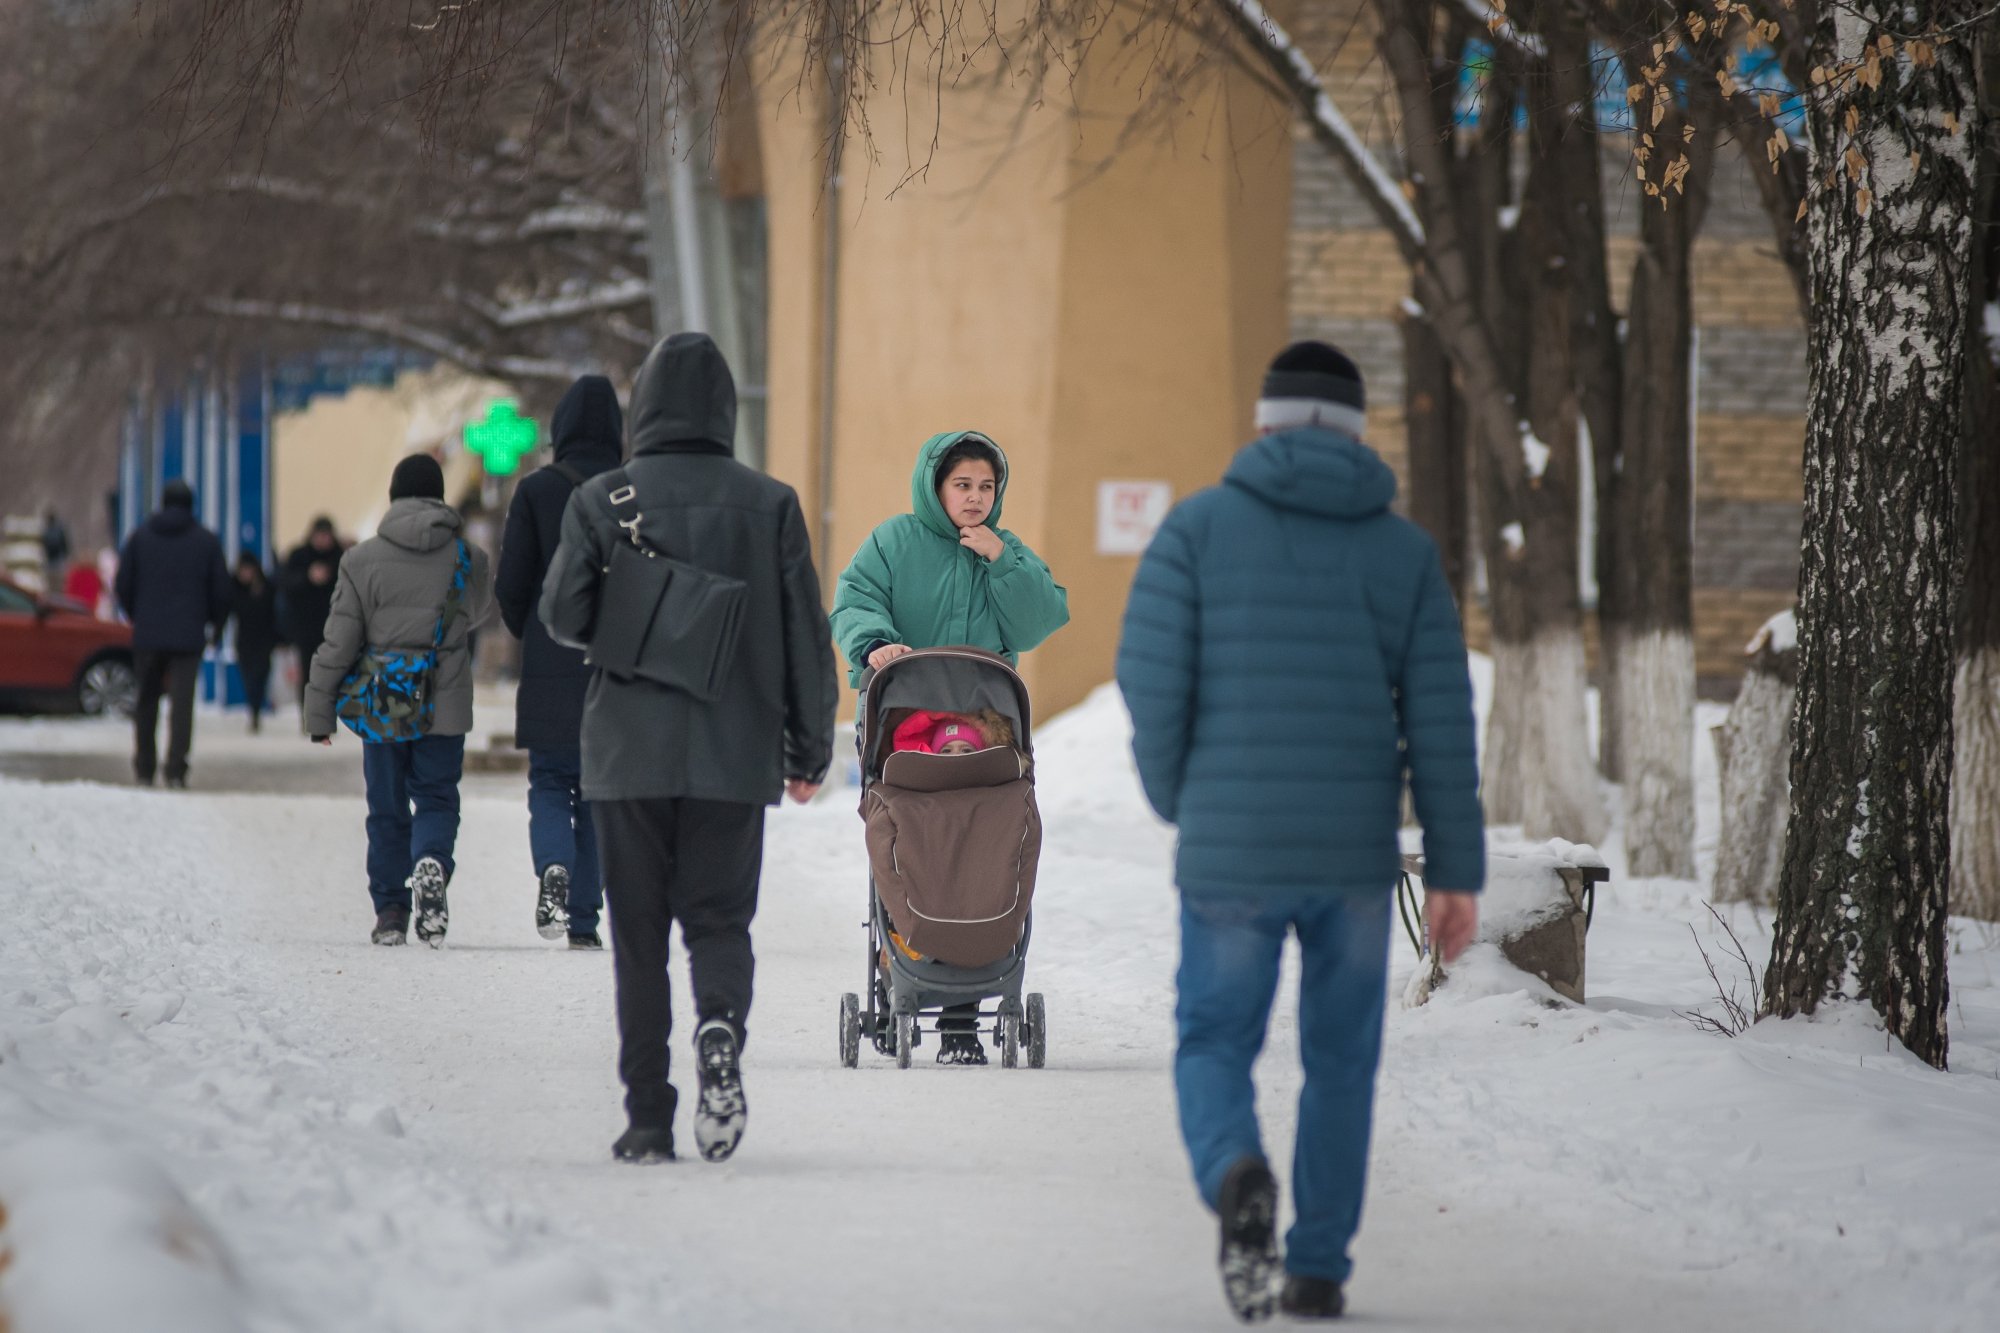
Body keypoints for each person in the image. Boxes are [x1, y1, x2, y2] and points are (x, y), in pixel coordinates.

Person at [1115, 341, 1485, 1324]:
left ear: (1263, 423)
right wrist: (1453, 868)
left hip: (1229, 849)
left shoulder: (1195, 530)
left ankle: (1237, 1176)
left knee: (1211, 1039)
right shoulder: (1402, 553)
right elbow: (1441, 718)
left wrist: (1178, 798)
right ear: (1359, 435)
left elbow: (1150, 685)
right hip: (1349, 859)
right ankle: (1316, 1266)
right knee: (1340, 1059)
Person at [541, 332, 838, 1167]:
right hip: (733, 752)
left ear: (646, 408)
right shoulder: (771, 503)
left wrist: (636, 616)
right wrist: (809, 750)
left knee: (636, 939)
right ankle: (719, 1024)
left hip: (626, 754)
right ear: (725, 410)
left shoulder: (602, 499)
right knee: (718, 920)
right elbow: (806, 636)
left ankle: (646, 1119)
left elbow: (562, 615)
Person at [829, 430, 1069, 1064]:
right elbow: (853, 599)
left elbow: (1039, 620)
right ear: (936, 487)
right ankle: (900, 982)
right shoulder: (893, 542)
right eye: (962, 485)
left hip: (985, 737)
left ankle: (962, 1022)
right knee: (914, 855)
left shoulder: (1003, 550)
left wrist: (1003, 561)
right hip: (908, 735)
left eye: (986, 487)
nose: (975, 498)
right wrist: (875, 642)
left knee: (982, 861)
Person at [306, 456, 492, 948]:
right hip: (444, 698)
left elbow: (339, 642)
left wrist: (319, 710)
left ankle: (391, 911)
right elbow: (475, 613)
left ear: (393, 498)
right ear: (440, 498)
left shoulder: (359, 561)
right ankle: (430, 859)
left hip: (381, 700)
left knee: (386, 805)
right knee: (435, 796)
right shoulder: (469, 558)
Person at [495, 374, 624, 951]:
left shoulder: (536, 491)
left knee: (550, 779)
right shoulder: (631, 491)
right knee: (599, 794)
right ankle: (583, 920)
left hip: (550, 658)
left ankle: (553, 864)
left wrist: (532, 635)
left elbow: (511, 582)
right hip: (618, 664)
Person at [114, 480, 231, 789]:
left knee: (146, 702)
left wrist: (137, 614)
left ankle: (144, 768)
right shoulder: (206, 541)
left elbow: (123, 583)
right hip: (188, 635)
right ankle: (176, 769)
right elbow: (221, 590)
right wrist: (215, 625)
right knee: (181, 705)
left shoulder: (140, 538)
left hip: (149, 634)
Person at [281, 517, 346, 723]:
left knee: (330, 674)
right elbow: (286, 584)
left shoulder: (341, 558)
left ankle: (326, 715)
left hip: (334, 626)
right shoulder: (299, 556)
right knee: (308, 673)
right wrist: (308, 577)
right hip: (305, 626)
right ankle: (308, 715)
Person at [228, 551, 283, 733]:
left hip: (264, 639)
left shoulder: (267, 588)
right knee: (248, 677)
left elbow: (276, 614)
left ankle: (256, 710)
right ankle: (254, 710)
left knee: (261, 675)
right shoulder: (234, 588)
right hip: (244, 640)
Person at [41, 507, 71, 583]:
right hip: (54, 559)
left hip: (56, 559)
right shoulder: (52, 529)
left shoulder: (47, 530)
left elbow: (64, 542)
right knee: (56, 580)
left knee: (56, 579)